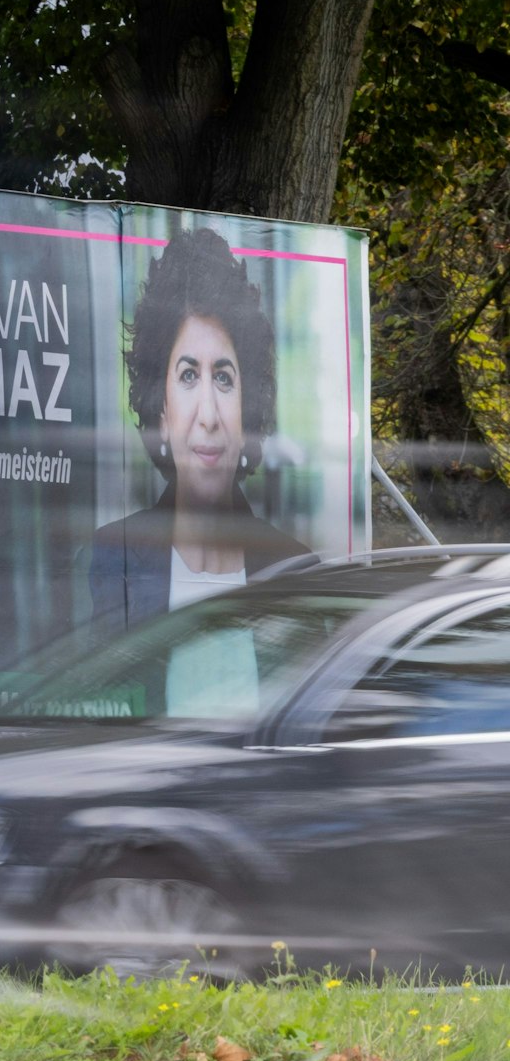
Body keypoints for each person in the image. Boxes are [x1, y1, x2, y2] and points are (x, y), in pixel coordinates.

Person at [88, 229, 309, 715]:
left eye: (224, 378)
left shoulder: (296, 574)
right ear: (160, 410)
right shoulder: (113, 562)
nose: (208, 413)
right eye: (188, 375)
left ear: (247, 410)